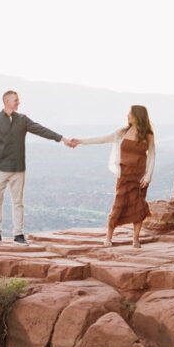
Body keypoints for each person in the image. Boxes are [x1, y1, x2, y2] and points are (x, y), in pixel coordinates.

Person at [0, 90, 75, 245]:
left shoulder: (22, 120)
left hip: (18, 169)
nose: (18, 102)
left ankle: (18, 234)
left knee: (18, 203)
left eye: (18, 100)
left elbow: (40, 129)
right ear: (6, 101)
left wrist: (62, 138)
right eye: (15, 100)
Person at [71, 105, 155, 248]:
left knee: (138, 206)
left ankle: (135, 239)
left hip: (139, 176)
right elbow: (102, 139)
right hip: (124, 174)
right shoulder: (122, 132)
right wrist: (80, 141)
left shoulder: (148, 134)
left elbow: (152, 155)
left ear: (137, 116)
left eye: (130, 113)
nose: (127, 115)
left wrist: (148, 177)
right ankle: (108, 237)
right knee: (118, 204)